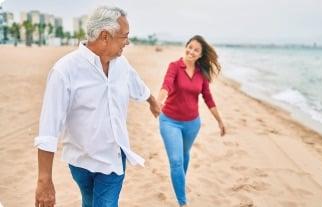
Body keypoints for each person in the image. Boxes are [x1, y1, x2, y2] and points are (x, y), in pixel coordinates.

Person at [34, 6, 160, 207]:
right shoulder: (64, 71)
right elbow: (48, 129)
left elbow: (137, 84)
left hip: (112, 161)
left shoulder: (122, 64)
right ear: (105, 36)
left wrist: (152, 101)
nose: (127, 42)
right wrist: (44, 180)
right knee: (89, 201)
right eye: (124, 37)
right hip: (80, 163)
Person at [157, 35, 226, 206]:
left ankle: (180, 183)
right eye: (190, 47)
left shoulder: (201, 74)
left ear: (201, 55)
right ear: (186, 47)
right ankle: (182, 202)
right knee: (176, 160)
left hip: (192, 124)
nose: (191, 51)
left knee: (184, 154)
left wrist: (220, 121)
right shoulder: (174, 66)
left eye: (196, 50)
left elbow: (208, 98)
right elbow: (167, 84)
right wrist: (159, 100)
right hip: (169, 121)